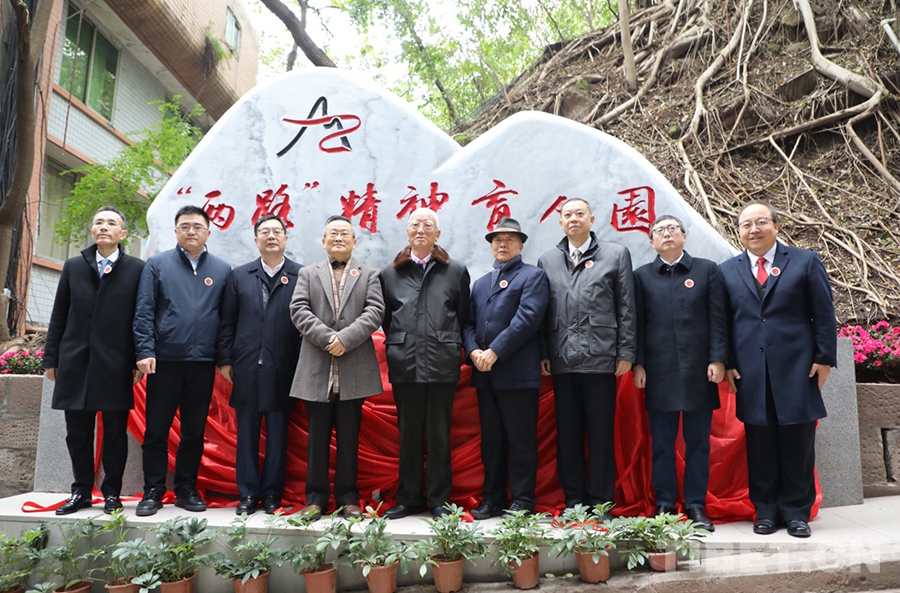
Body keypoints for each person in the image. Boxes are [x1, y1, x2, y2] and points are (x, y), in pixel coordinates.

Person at [719, 201, 837, 538]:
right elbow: (722, 323)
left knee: (798, 442)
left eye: (760, 222)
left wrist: (824, 357)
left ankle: (796, 512)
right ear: (739, 232)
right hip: (750, 372)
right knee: (760, 445)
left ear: (776, 226)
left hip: (797, 367)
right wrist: (727, 362)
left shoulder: (804, 261)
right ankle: (766, 511)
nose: (753, 230)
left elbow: (823, 312)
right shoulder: (727, 270)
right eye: (746, 225)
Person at [43, 206, 145, 515]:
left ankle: (112, 493)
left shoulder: (137, 269)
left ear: (122, 233)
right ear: (91, 231)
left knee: (114, 432)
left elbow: (141, 317)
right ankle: (81, 491)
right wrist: (51, 358)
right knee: (77, 432)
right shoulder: (74, 266)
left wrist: (137, 359)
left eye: (111, 223)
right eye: (98, 222)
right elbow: (59, 314)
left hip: (116, 362)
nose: (104, 227)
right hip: (75, 361)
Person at [537, 198, 635, 516]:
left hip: (601, 358)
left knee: (601, 434)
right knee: (568, 435)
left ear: (592, 219)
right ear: (560, 222)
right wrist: (544, 352)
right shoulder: (548, 260)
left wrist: (626, 351)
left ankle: (600, 500)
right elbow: (542, 311)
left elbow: (626, 307)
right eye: (568, 215)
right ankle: (573, 501)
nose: (574, 219)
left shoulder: (616, 254)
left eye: (580, 214)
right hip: (562, 359)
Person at [133, 205, 231, 516]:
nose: (191, 231)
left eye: (197, 226)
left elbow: (226, 320)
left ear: (208, 233)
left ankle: (187, 488)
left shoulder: (222, 270)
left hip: (203, 362)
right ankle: (153, 489)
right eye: (185, 226)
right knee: (156, 430)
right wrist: (144, 351)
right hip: (165, 361)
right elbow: (144, 311)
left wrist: (224, 359)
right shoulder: (157, 264)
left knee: (194, 431)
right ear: (176, 231)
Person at [632, 215, 727, 531]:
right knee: (662, 443)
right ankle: (665, 502)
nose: (667, 234)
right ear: (651, 242)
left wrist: (718, 359)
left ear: (684, 236)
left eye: (673, 229)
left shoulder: (706, 270)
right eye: (659, 231)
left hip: (700, 371)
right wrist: (639, 364)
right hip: (658, 372)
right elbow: (637, 325)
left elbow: (718, 319)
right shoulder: (642, 276)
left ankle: (696, 504)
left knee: (698, 443)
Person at [289, 215, 385, 521]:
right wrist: (328, 338)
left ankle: (348, 498)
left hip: (354, 367)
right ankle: (315, 499)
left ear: (355, 241)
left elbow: (375, 311)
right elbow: (298, 309)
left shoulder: (369, 275)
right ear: (323, 241)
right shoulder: (308, 273)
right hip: (317, 366)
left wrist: (346, 339)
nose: (339, 238)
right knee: (316, 438)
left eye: (345, 233)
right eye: (333, 233)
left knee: (349, 438)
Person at [379, 208, 470, 519]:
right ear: (407, 232)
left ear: (437, 234)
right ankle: (408, 499)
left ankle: (439, 500)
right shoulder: (390, 273)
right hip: (404, 362)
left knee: (439, 435)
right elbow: (387, 319)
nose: (420, 230)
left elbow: (462, 315)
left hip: (441, 362)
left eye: (427, 225)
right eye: (415, 225)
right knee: (408, 435)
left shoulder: (455, 271)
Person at [464, 217, 549, 518]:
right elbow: (469, 324)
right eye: (497, 240)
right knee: (492, 442)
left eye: (510, 239)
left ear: (521, 245)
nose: (503, 244)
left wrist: (495, 351)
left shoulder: (533, 276)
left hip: (517, 374)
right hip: (485, 375)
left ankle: (523, 500)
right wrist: (473, 350)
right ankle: (493, 498)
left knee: (521, 441)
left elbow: (527, 320)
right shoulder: (480, 283)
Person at [218, 215, 303, 515]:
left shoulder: (300, 275)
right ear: (256, 240)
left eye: (277, 231)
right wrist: (225, 359)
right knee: (247, 434)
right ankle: (248, 493)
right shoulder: (240, 275)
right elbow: (227, 321)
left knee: (279, 435)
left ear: (286, 238)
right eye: (264, 232)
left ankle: (271, 494)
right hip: (247, 365)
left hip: (284, 365)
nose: (271, 236)